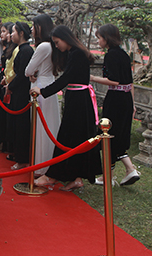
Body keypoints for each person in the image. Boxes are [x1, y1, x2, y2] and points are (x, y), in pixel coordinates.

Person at [31, 25, 101, 192]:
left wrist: (44, 91)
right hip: (78, 99)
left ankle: (54, 175)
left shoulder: (76, 54)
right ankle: (76, 178)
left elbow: (66, 78)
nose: (57, 46)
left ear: (65, 38)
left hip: (78, 101)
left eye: (57, 42)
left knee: (67, 137)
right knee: (77, 138)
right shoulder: (76, 53)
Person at [90, 24, 140, 187]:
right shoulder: (124, 54)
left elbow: (114, 80)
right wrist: (132, 103)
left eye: (99, 37)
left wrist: (91, 77)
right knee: (118, 135)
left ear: (107, 38)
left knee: (109, 134)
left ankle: (109, 177)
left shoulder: (111, 55)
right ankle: (127, 170)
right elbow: (130, 82)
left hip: (116, 99)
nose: (98, 41)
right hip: (125, 98)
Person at [25, 14, 60, 176]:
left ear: (40, 27)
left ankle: (40, 164)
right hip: (49, 83)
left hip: (40, 86)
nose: (31, 29)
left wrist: (33, 73)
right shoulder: (53, 45)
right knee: (49, 125)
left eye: (33, 26)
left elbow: (28, 70)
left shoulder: (43, 46)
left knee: (41, 127)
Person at [6, 21, 34, 170]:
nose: (11, 35)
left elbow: (22, 74)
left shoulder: (26, 51)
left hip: (22, 92)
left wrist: (10, 86)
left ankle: (23, 158)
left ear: (21, 33)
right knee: (16, 125)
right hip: (18, 91)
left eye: (13, 32)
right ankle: (18, 154)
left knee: (21, 126)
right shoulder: (20, 49)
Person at [0, 22, 16, 153]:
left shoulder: (14, 49)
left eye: (5, 31)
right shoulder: (5, 47)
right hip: (2, 81)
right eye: (1, 31)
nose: (3, 34)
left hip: (8, 83)